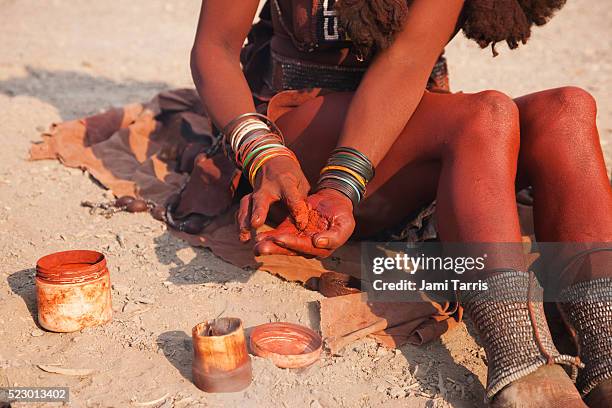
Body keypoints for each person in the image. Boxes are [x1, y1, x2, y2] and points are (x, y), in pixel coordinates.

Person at [189, 0, 612, 406]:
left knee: (568, 110)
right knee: (487, 114)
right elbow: (215, 47)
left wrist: (343, 184)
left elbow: (407, 60)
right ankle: (520, 360)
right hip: (295, 146)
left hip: (400, 120)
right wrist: (266, 156)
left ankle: (605, 347)